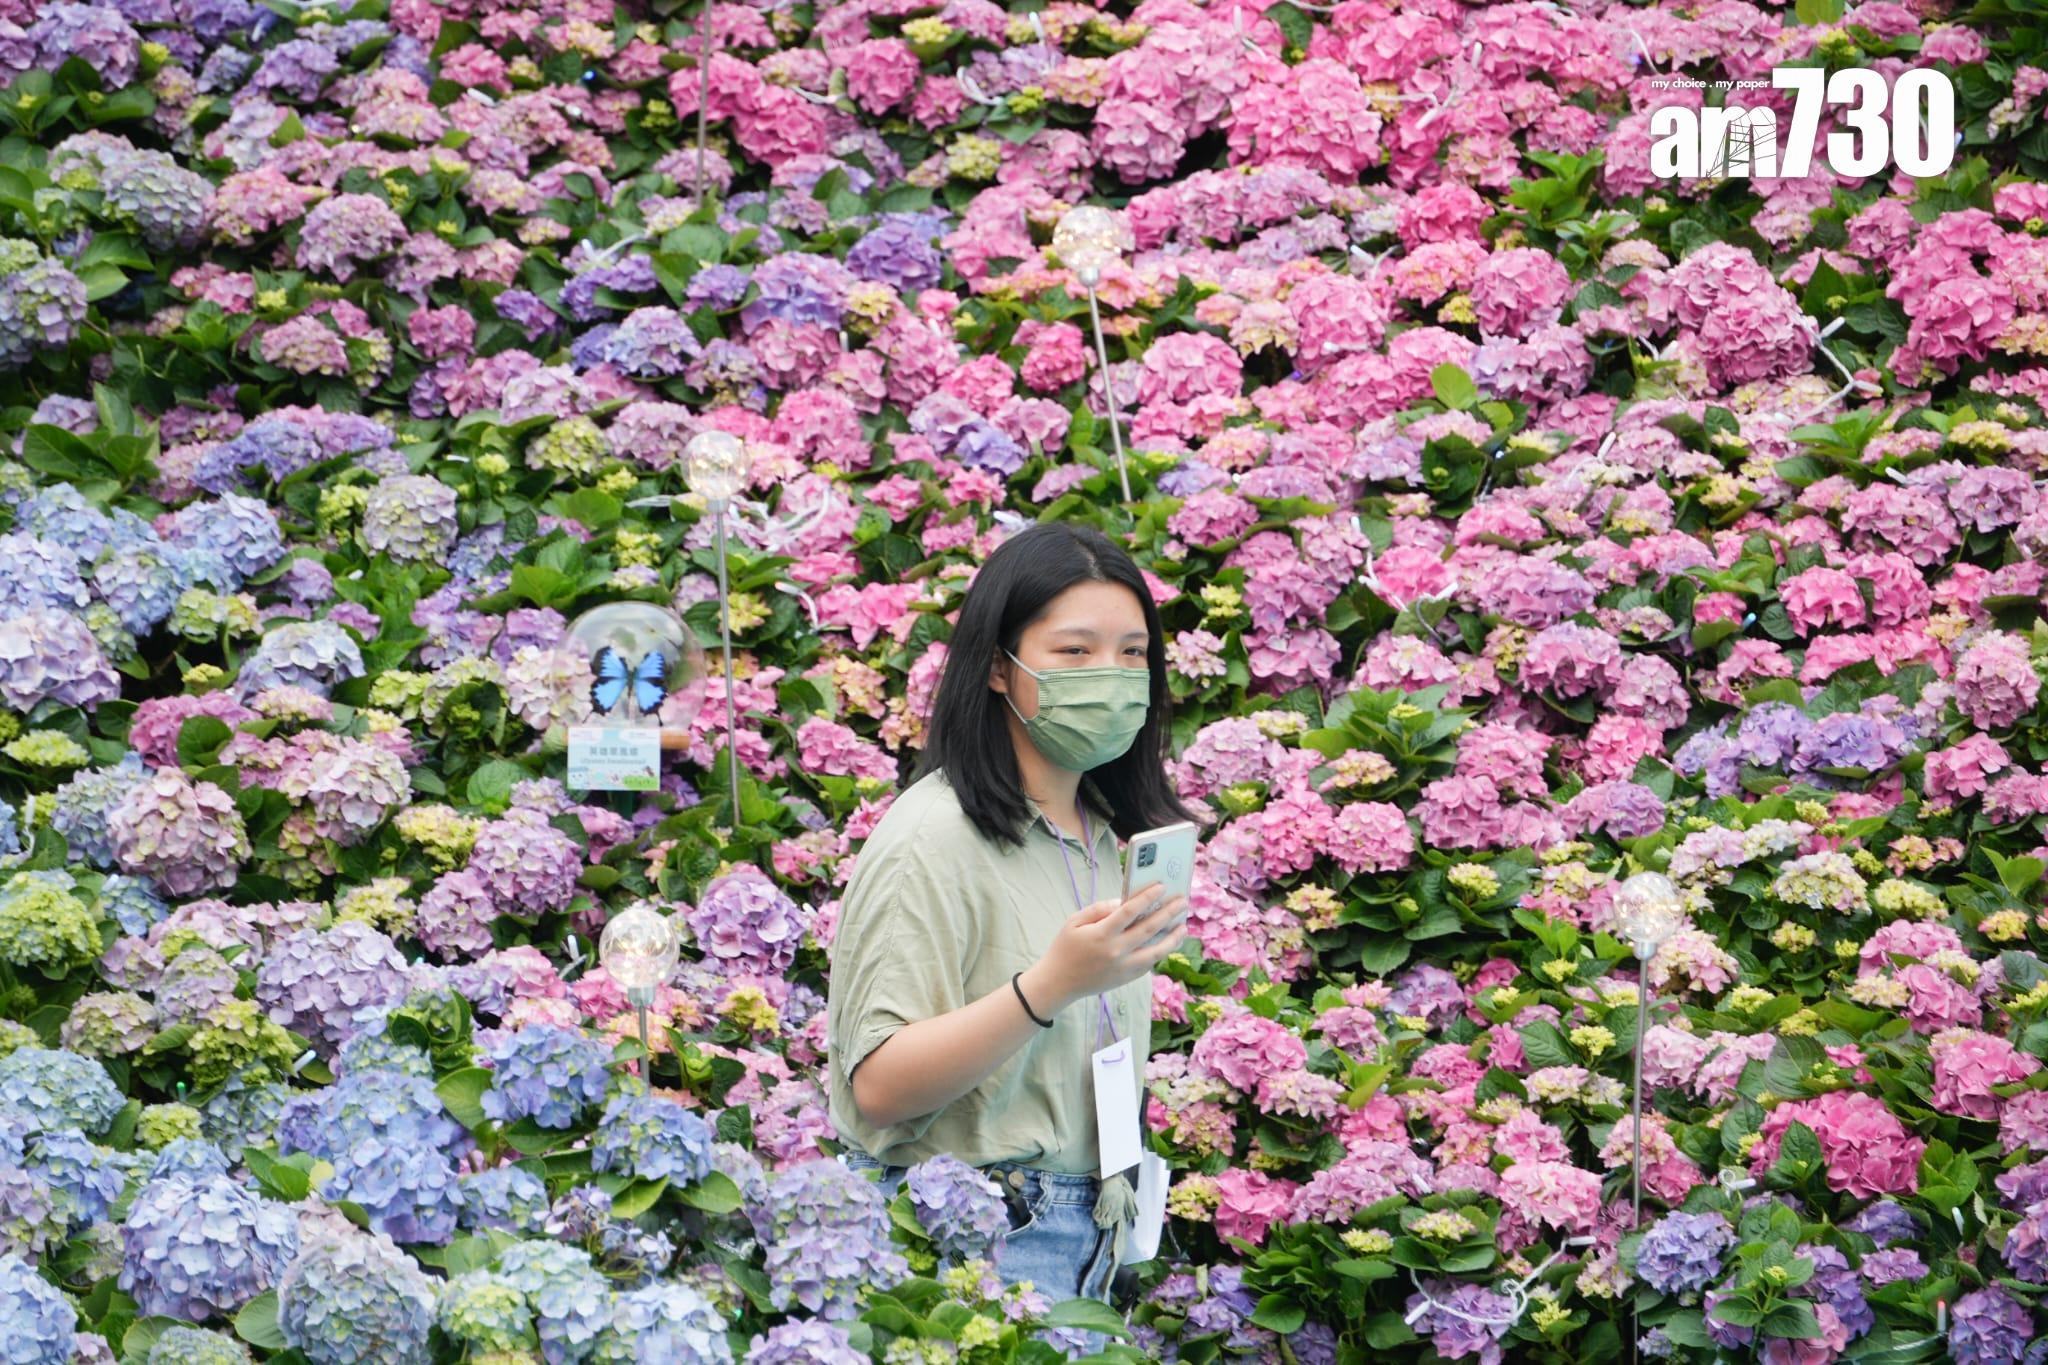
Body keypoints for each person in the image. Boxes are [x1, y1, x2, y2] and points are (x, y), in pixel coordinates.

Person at [825, 520, 1204, 1351]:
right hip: (970, 1242)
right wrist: (1051, 984)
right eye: (1074, 652)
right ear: (1000, 666)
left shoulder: (1107, 830)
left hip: (1094, 1229)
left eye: (1131, 653)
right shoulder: (934, 836)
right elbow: (879, 1089)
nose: (1109, 677)